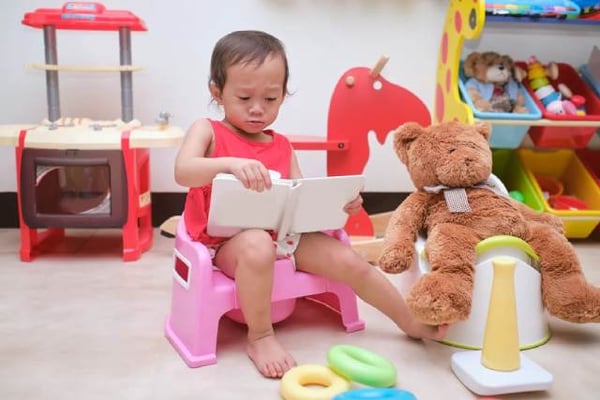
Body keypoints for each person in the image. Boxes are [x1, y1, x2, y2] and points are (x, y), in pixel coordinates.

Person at [174, 30, 448, 379]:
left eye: (270, 99)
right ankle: (260, 336)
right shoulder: (208, 131)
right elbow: (183, 172)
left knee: (348, 259)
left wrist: (339, 205)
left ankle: (409, 321)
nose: (258, 109)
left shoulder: (282, 145)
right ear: (218, 92)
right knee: (257, 242)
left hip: (283, 235)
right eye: (244, 97)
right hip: (226, 243)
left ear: (283, 95)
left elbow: (297, 196)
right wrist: (228, 165)